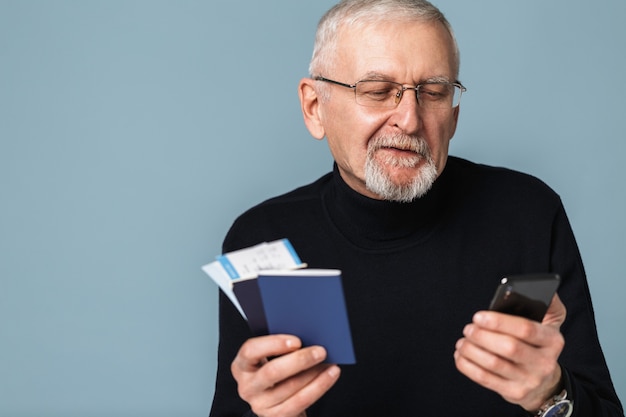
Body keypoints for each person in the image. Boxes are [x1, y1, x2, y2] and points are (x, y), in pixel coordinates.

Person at [209, 1, 624, 416]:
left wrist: (550, 393)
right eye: (376, 91)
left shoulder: (528, 214)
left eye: (434, 93)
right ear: (315, 107)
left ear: (454, 114)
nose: (409, 120)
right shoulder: (261, 238)